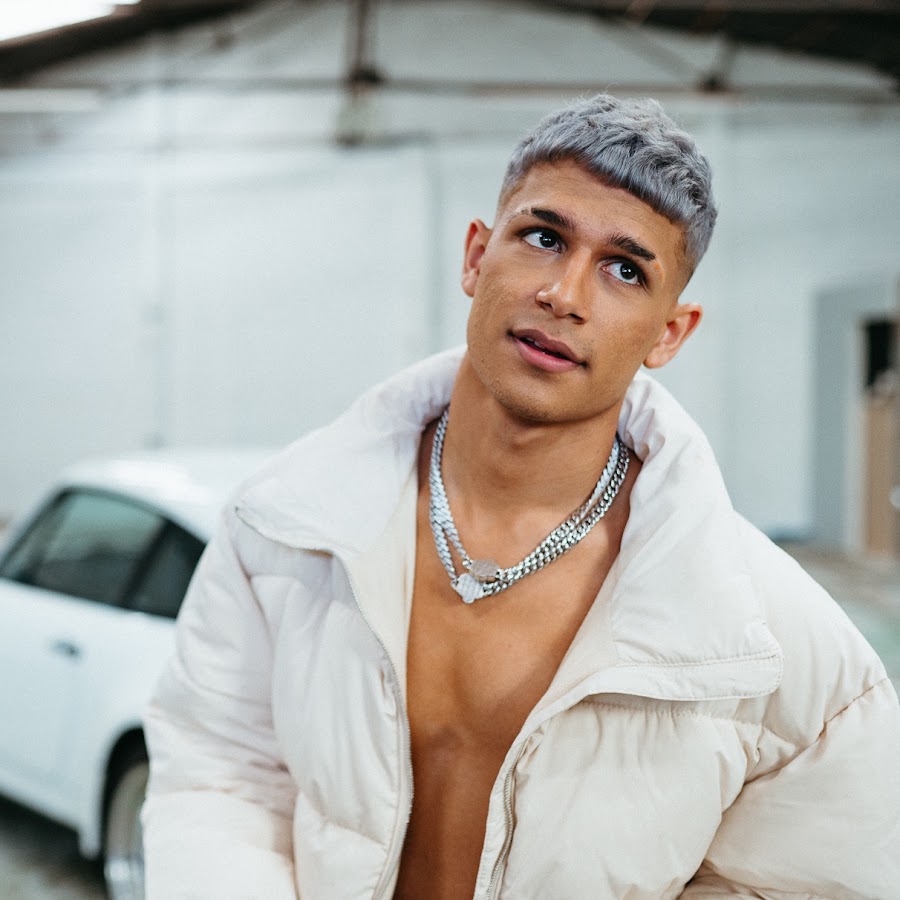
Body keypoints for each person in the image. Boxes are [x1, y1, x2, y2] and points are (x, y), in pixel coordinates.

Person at [142, 94, 900, 899]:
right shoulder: (284, 527)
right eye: (544, 238)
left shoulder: (773, 638)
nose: (565, 294)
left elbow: (815, 884)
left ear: (669, 333)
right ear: (477, 256)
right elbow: (219, 778)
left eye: (625, 270)